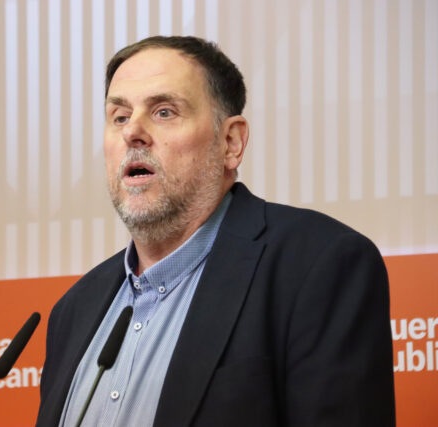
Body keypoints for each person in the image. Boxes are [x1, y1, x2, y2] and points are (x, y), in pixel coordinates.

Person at [36, 36, 395, 426]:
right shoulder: (73, 311)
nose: (132, 132)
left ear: (231, 142)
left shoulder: (319, 267)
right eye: (119, 117)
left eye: (164, 112)